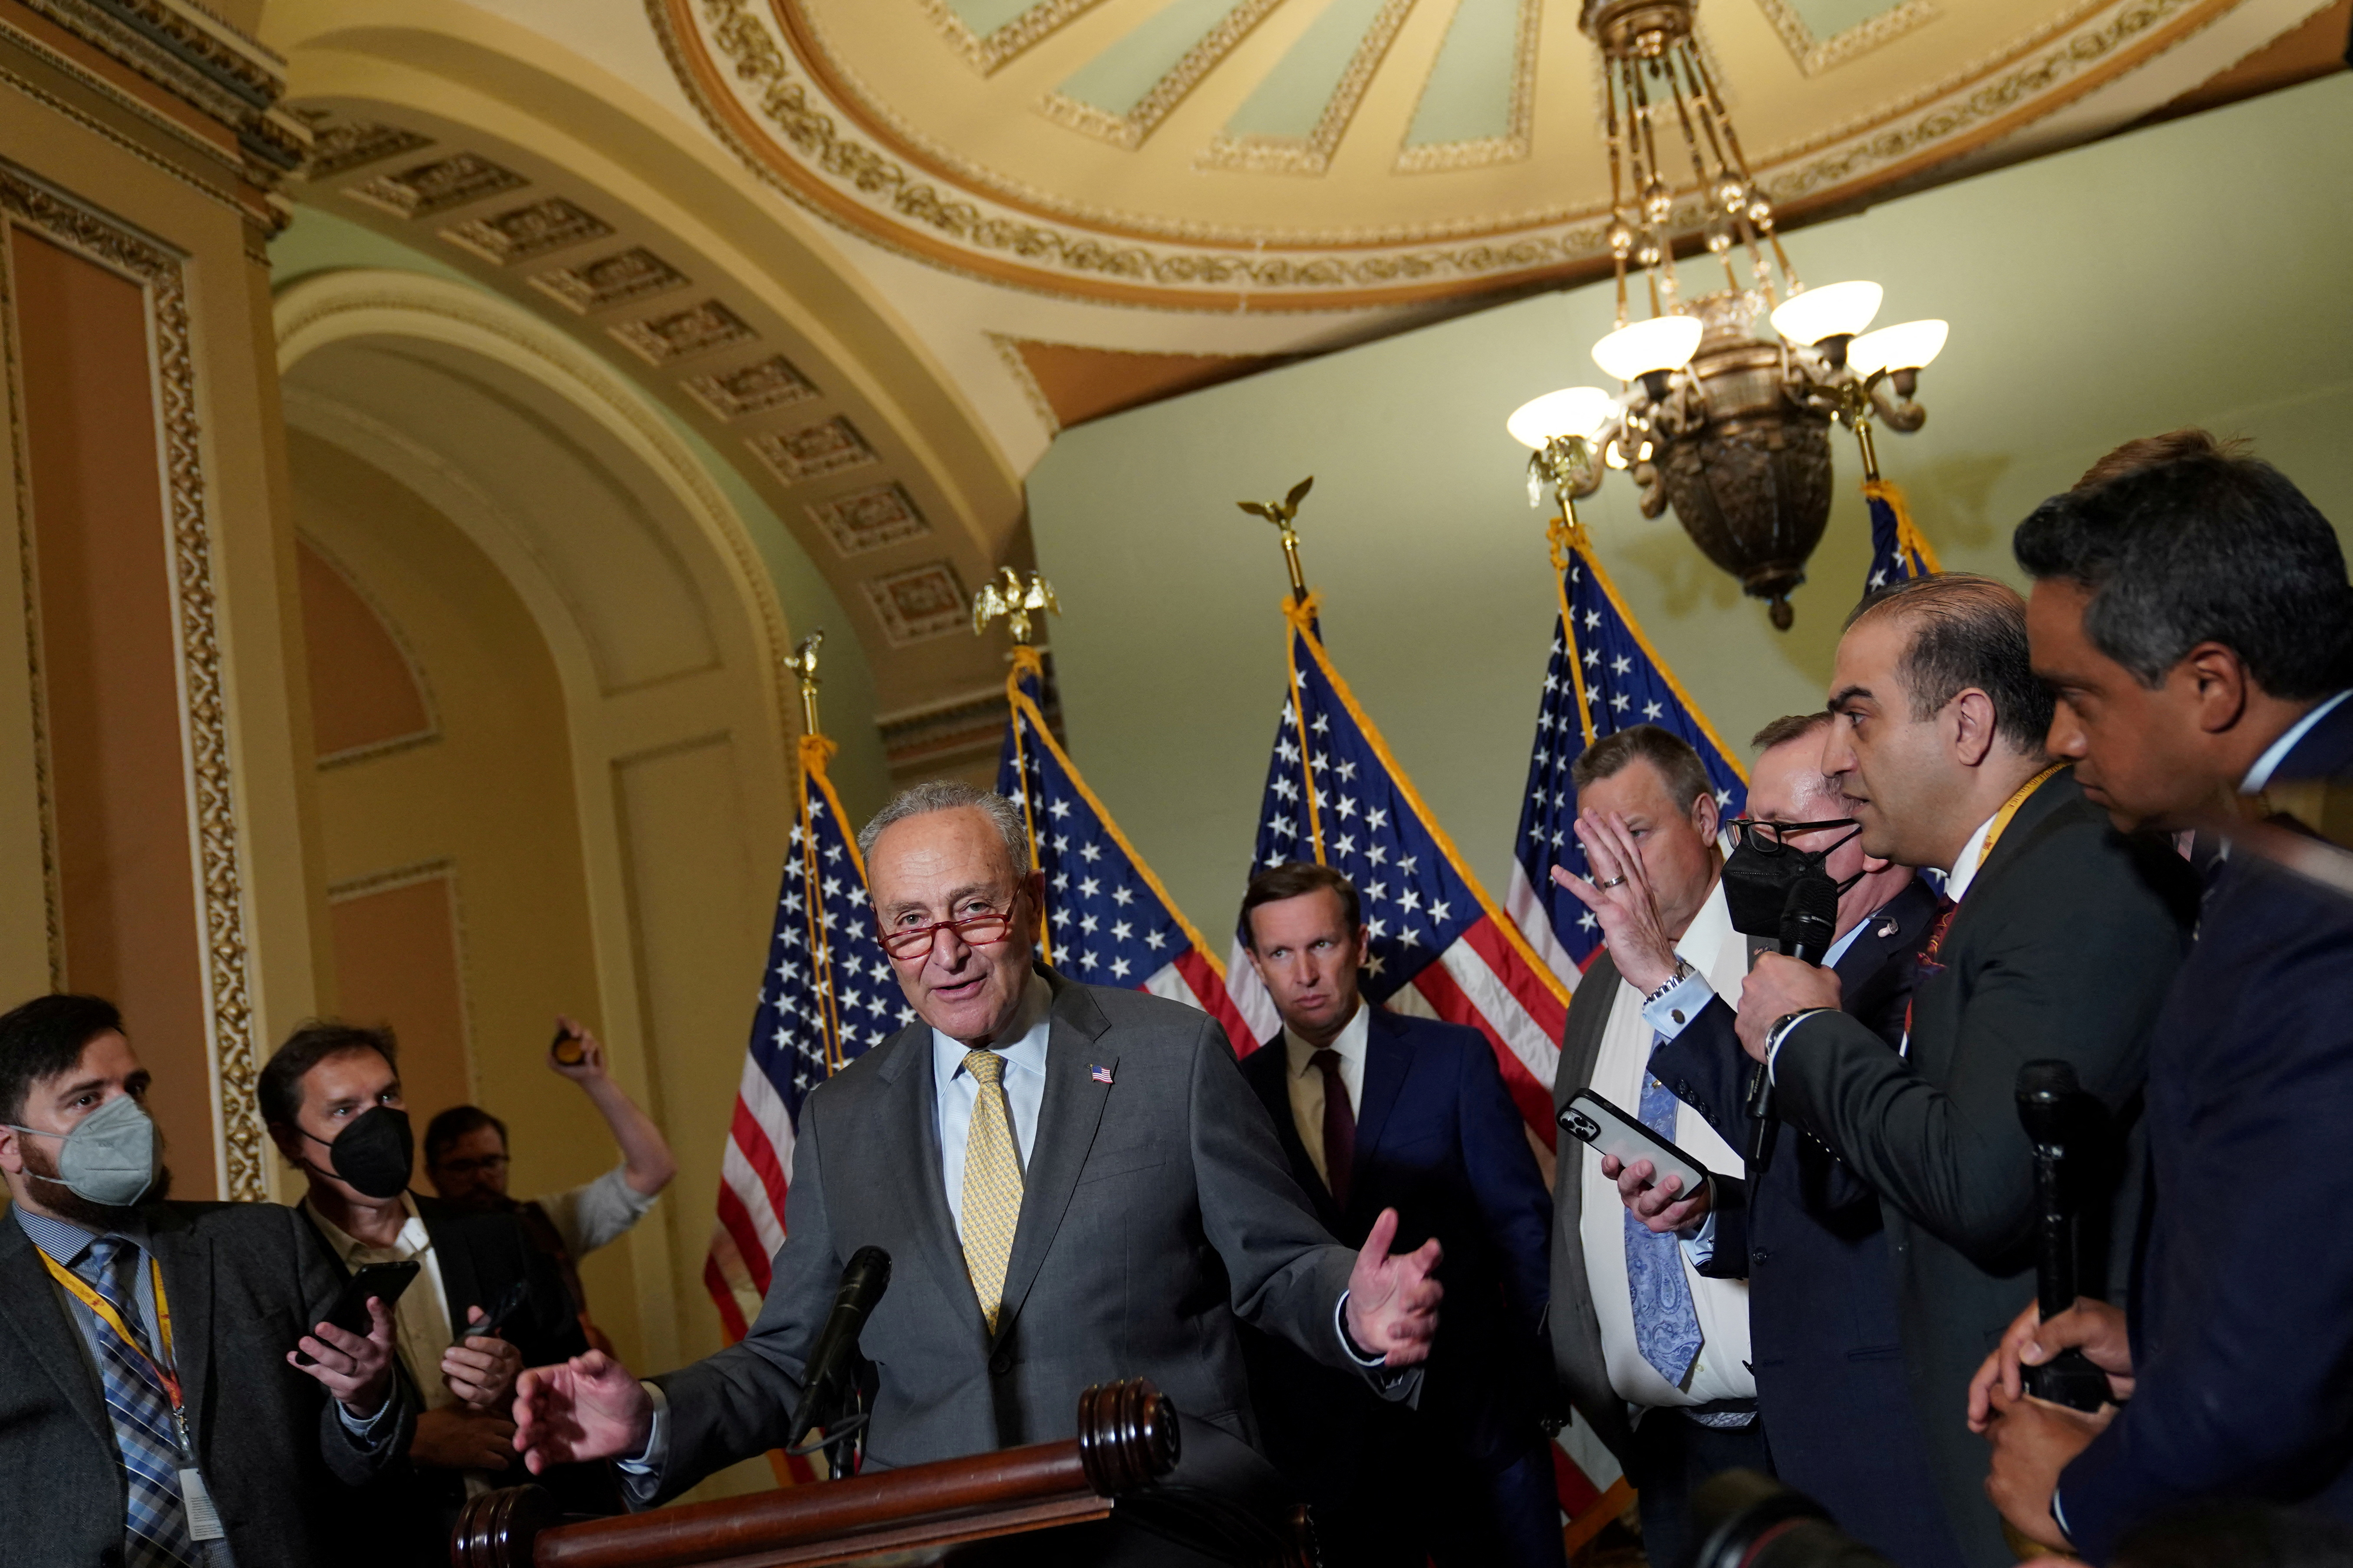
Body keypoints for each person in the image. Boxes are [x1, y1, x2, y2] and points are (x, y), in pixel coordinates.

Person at [512, 781, 1444, 1539]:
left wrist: (1352, 1309)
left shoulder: (1169, 1056)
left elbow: (1276, 1262)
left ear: (1029, 906)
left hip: (1163, 1518)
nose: (945, 953)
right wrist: (648, 1420)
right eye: (909, 925)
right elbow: (795, 1356)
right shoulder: (841, 1118)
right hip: (939, 1537)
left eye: (974, 911)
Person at [1731, 573, 2197, 1568]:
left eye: (1859, 723)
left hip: (2076, 1461)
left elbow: (1981, 1180)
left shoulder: (2072, 871)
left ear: (1968, 723)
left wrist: (1806, 1037)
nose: (1843, 767)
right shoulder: (1998, 885)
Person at [1966, 445, 2353, 1557]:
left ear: (2211, 685)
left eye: (2081, 698)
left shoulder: (2306, 909)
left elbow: (2262, 1401)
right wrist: (2171, 1336)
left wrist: (2081, 1495)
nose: (2067, 741)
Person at [1598, 712, 1960, 1568]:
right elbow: (1802, 1168)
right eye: (1750, 830)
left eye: (1783, 832)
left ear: (1867, 840)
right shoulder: (1816, 956)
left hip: (1889, 1414)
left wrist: (1664, 981)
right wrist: (1711, 1214)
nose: (1755, 856)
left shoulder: (1917, 958)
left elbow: (1864, 1170)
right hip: (1815, 1420)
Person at [0, 993, 410, 1568]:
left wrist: (364, 1400)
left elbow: (361, 1466)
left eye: (134, 1090)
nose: (130, 1119)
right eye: (87, 1099)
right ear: (9, 1145)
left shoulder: (267, 1243)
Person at [1233, 862, 1561, 1568]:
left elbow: (1522, 1235)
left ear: (1357, 942)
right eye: (1281, 953)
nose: (1305, 972)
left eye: (1320, 944)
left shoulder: (1453, 1060)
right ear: (1255, 964)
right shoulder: (1230, 1099)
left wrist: (1539, 1392)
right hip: (1323, 1458)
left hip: (1475, 1430)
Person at [262, 1022, 607, 1561]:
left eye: (387, 1097)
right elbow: (265, 1453)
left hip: (532, 1541)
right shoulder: (267, 1272)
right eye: (343, 1110)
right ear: (289, 1139)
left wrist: (515, 1381)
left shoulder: (498, 1238)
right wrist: (409, 1443)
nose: (375, 1123)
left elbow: (582, 1393)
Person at [1543, 723, 1763, 1568]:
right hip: (1667, 1449)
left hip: (1801, 1416)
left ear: (1706, 820)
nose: (1617, 866)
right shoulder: (1596, 989)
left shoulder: (1775, 947)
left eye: (1636, 833)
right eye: (1598, 844)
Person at [423, 1017, 676, 1354]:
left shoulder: (544, 1222)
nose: (481, 1178)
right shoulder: (419, 1239)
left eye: (491, 1163)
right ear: (432, 1173)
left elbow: (654, 1170)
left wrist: (595, 1080)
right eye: (462, 1166)